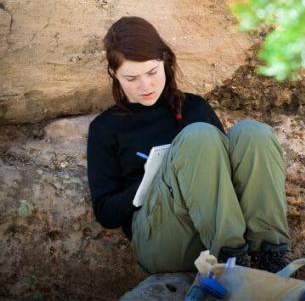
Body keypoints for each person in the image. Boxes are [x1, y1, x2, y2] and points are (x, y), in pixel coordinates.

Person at [87, 16, 291, 274]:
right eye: (131, 78)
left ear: (165, 61)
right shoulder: (105, 128)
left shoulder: (194, 107)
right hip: (164, 240)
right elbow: (105, 213)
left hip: (209, 228)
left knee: (253, 134)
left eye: (152, 72)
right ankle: (231, 260)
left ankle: (269, 254)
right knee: (198, 137)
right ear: (114, 74)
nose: (145, 85)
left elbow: (225, 179)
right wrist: (153, 179)